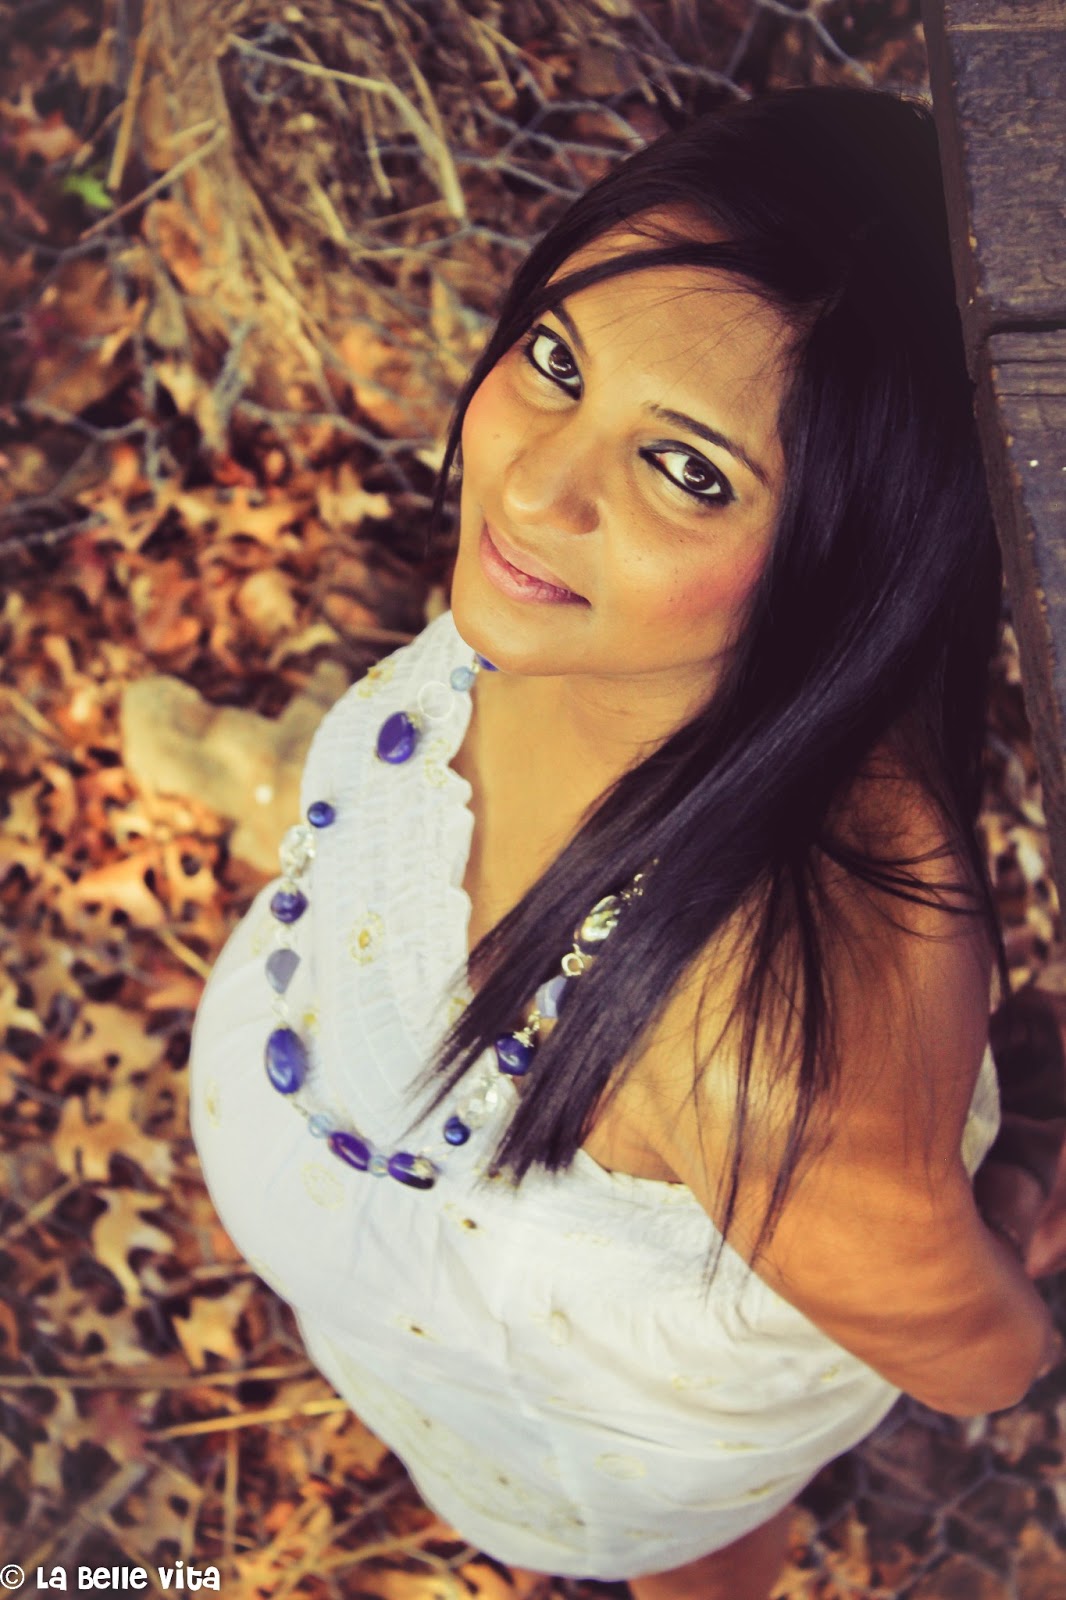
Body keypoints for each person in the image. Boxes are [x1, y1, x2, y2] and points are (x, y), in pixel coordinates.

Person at [189, 86, 1061, 1600]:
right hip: (402, 1288)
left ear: (850, 551)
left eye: (689, 470)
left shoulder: (763, 1034)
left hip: (582, 1427)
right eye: (555, 359)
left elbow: (979, 1362)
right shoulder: (584, 618)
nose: (533, 486)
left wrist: (1016, 1220)